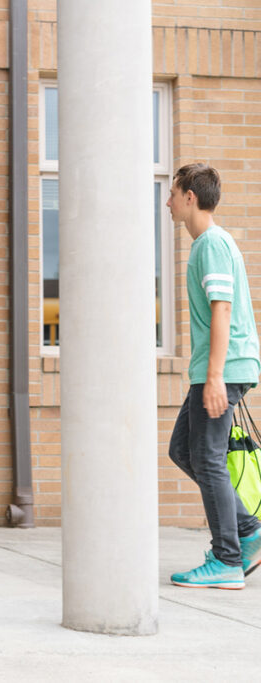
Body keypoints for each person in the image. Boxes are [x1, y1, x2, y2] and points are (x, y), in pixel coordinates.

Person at [165, 163, 261, 589]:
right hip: (213, 368)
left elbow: (222, 308)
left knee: (206, 457)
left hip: (221, 368)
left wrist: (216, 376)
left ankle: (227, 559)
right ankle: (248, 532)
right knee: (184, 449)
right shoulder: (209, 244)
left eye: (172, 193)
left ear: (190, 198)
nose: (166, 202)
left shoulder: (210, 244)